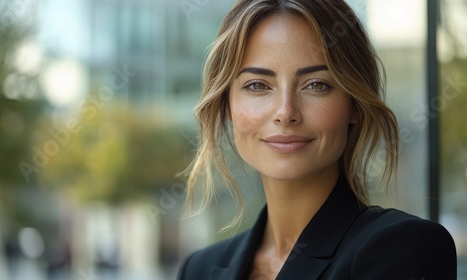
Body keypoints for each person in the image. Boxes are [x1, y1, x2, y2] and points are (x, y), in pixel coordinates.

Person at [177, 0, 457, 279]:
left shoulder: (403, 249)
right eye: (257, 85)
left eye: (316, 85)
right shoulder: (199, 270)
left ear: (355, 105)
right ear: (227, 106)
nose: (286, 113)